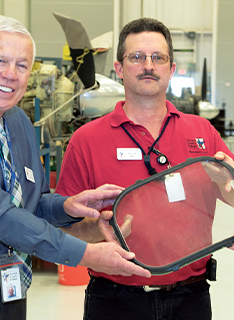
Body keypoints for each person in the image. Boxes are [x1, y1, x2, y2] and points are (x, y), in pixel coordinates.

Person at [0, 15, 150, 320]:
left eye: (22, 65)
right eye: (0, 60)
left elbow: (31, 202)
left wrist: (69, 206)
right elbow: (0, 215)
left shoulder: (18, 121)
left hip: (10, 293)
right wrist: (86, 254)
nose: (11, 74)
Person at [55, 17, 234, 320]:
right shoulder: (86, 140)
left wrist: (228, 184)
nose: (148, 65)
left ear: (171, 69)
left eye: (158, 57)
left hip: (191, 298)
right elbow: (62, 226)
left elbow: (231, 198)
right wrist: (96, 229)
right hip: (114, 300)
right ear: (119, 68)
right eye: (136, 57)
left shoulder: (203, 134)